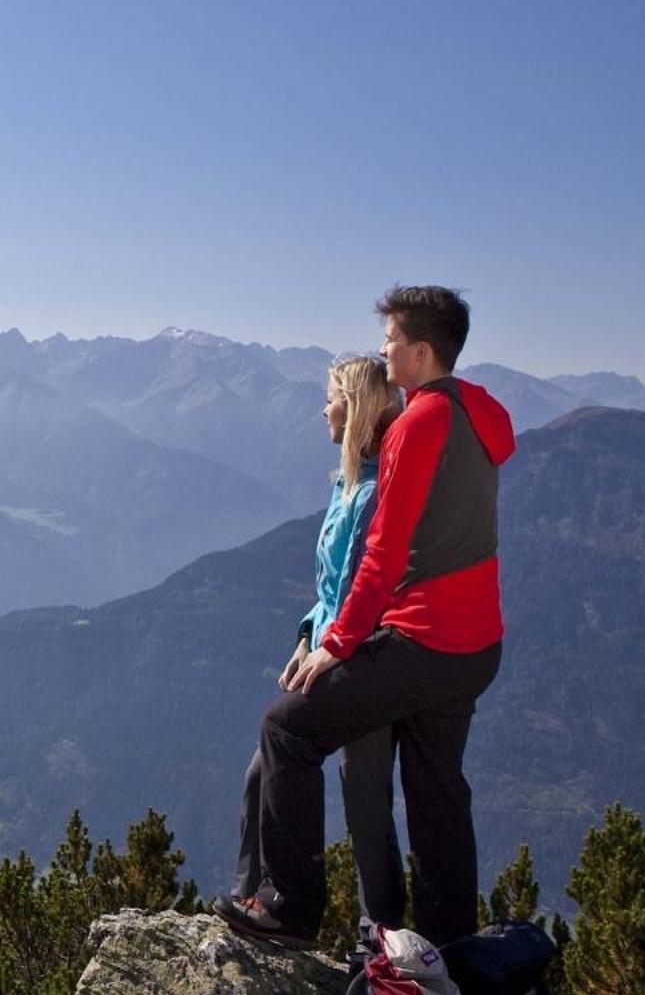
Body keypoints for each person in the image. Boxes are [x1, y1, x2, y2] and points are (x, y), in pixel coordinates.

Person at [219, 285, 514, 950]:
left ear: (419, 350)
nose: (384, 353)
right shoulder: (481, 410)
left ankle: (289, 907)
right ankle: (448, 950)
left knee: (286, 731)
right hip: (477, 645)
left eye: (390, 343)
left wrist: (336, 645)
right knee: (437, 793)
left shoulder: (418, 424)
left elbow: (384, 550)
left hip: (423, 638)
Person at [233, 354, 406, 937]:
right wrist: (308, 633)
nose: (323, 409)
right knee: (266, 771)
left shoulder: (375, 490)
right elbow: (332, 589)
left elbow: (366, 584)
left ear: (354, 408)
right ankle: (253, 897)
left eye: (331, 397)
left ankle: (376, 932)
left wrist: (326, 645)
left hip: (363, 654)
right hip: (332, 645)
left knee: (365, 795)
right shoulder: (350, 483)